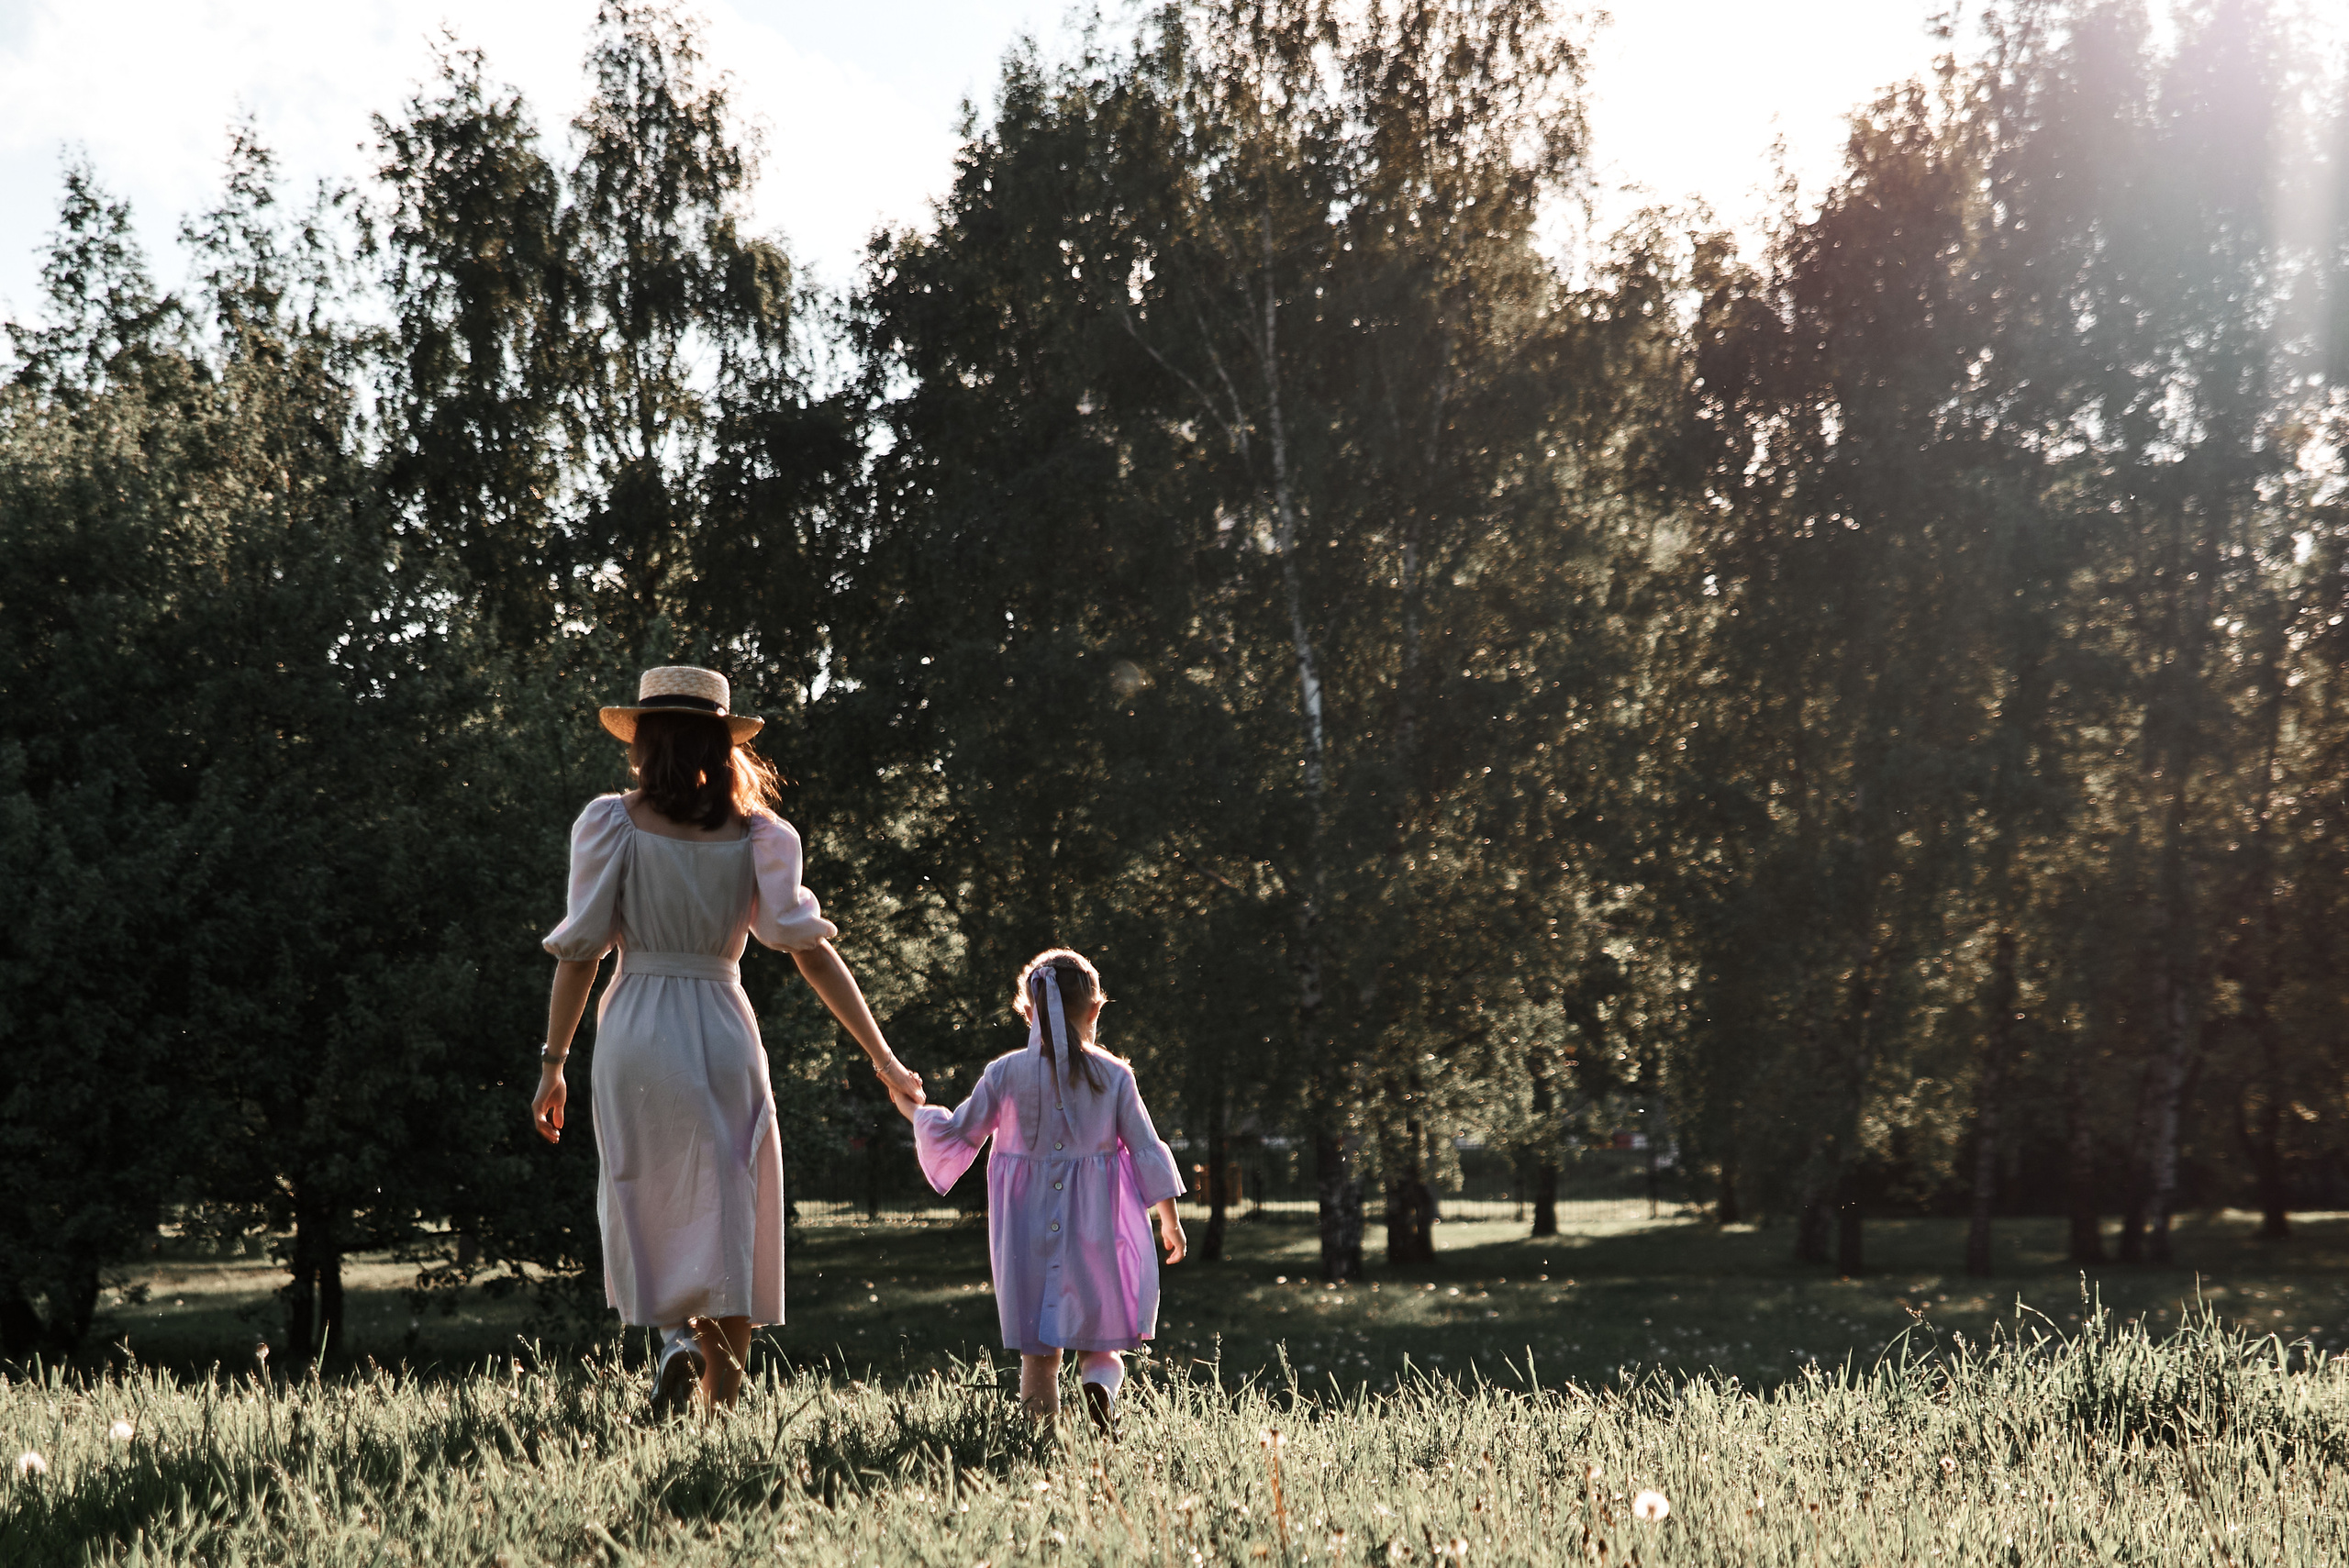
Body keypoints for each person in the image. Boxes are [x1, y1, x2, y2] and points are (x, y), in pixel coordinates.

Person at [534, 665, 923, 1414]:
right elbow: (810, 950)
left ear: (645, 742)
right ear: (723, 742)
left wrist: (553, 1063)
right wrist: (883, 1057)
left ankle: (675, 1337)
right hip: (720, 1019)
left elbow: (580, 950)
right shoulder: (757, 836)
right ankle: (720, 1412)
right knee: (729, 1207)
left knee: (648, 1192)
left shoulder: (610, 822)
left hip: (636, 1024)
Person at [891, 948, 1184, 1436]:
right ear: (1095, 1010)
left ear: (1027, 1012)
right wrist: (1169, 1219)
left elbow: (959, 1133)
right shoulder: (1114, 1076)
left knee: (1039, 1351)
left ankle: (1041, 1442)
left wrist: (914, 1110)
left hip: (1025, 1224)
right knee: (1101, 1342)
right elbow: (1147, 1148)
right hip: (1096, 1223)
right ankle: (1101, 1388)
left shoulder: (1005, 1073)